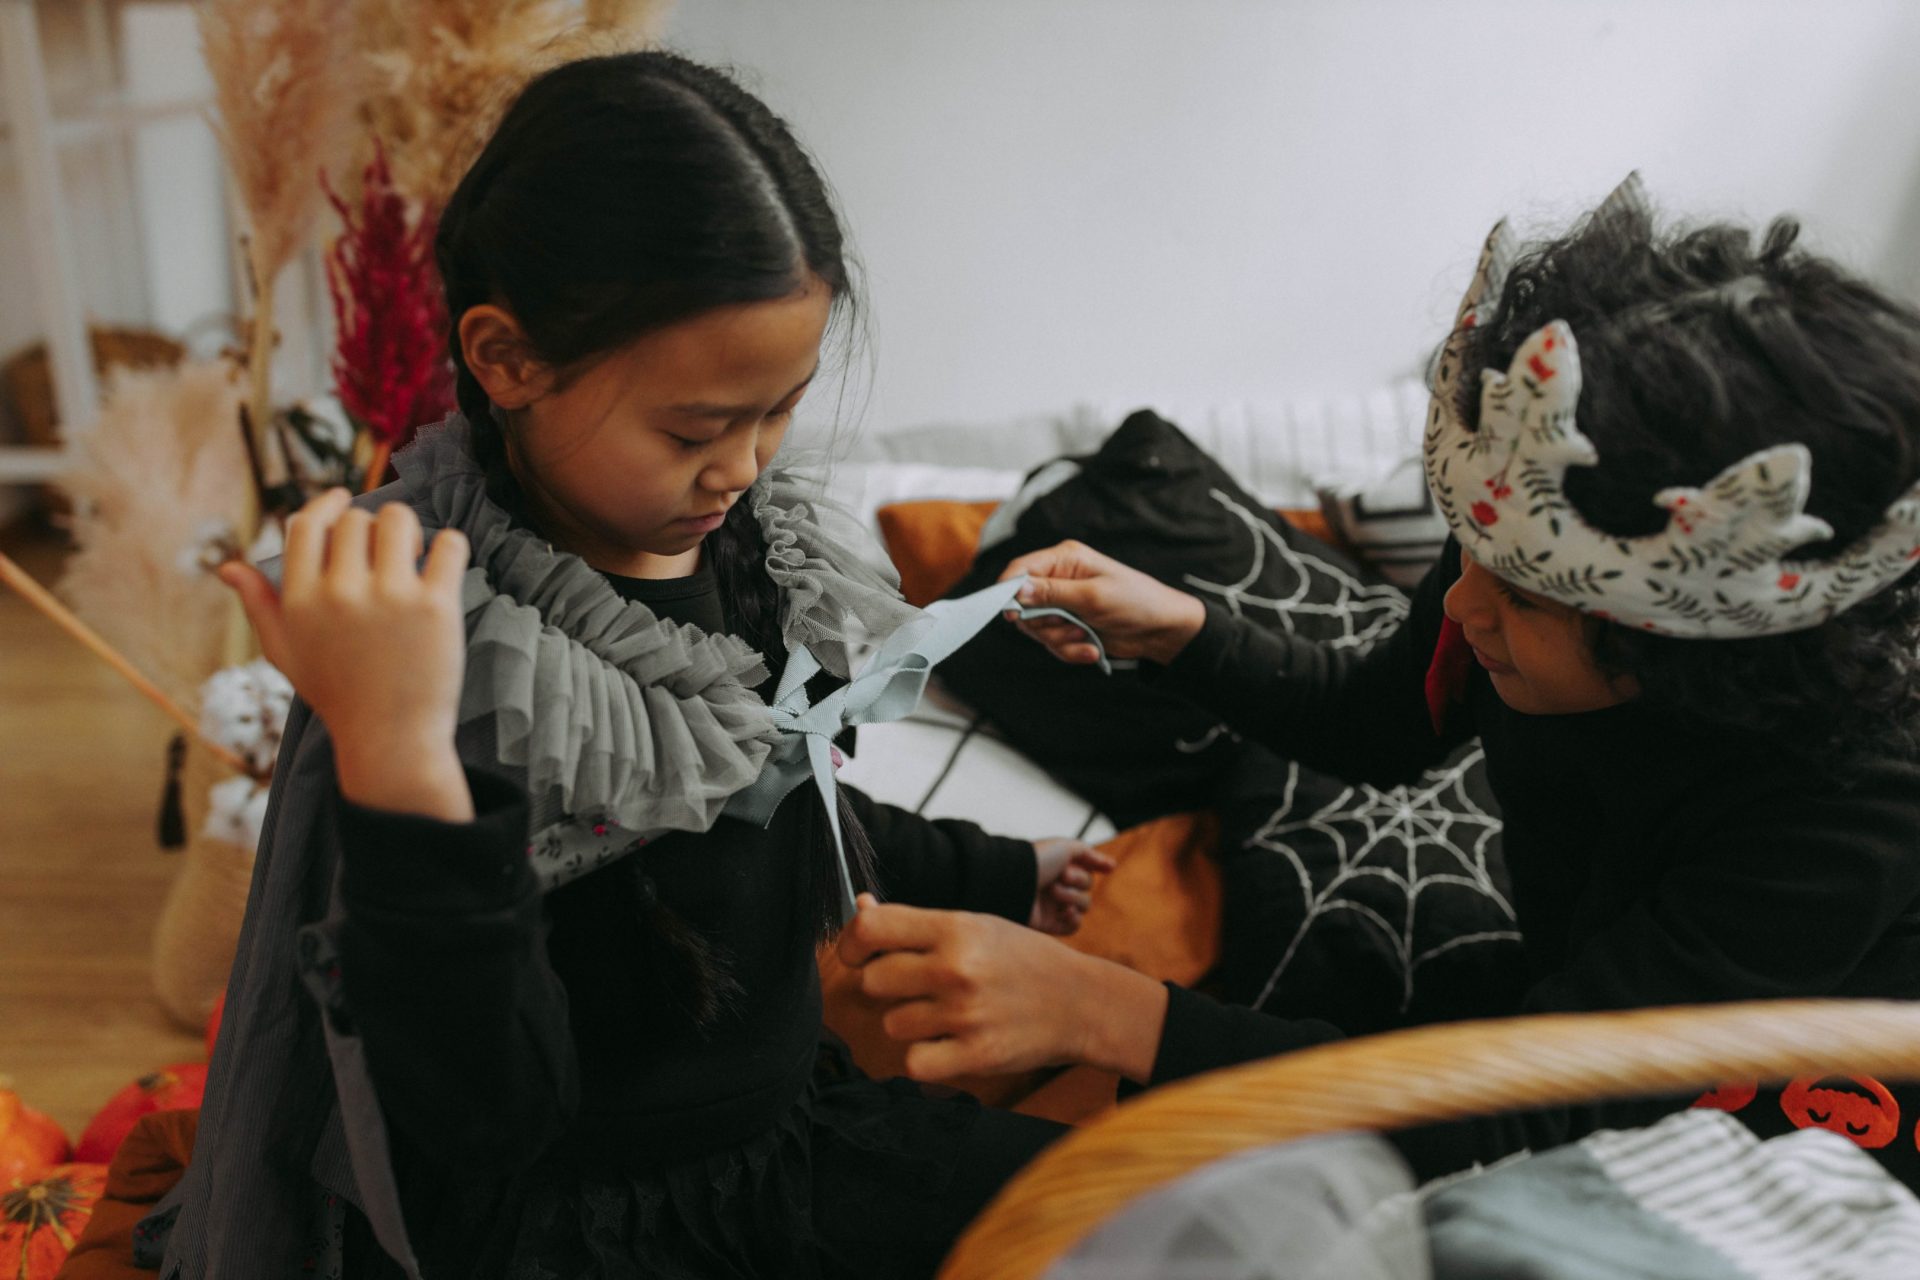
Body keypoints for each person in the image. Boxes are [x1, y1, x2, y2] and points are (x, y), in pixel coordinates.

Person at [158, 51, 1110, 1279]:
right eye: (696, 430)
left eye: (781, 409)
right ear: (504, 359)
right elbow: (476, 1114)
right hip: (575, 1227)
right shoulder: (448, 640)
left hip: (788, 1143)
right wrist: (393, 748)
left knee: (1143, 1214)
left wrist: (1000, 869)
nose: (744, 468)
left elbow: (762, 795)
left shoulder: (751, 546)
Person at [837, 176, 1920, 1193]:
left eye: (1526, 601)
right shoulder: (1533, 536)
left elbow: (1525, 1120)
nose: (1459, 605)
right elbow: (1387, 718)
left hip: (1804, 1135)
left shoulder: (1850, 809)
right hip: (1584, 1027)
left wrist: (1110, 1009)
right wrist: (1182, 630)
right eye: (1467, 554)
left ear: (1705, 651)